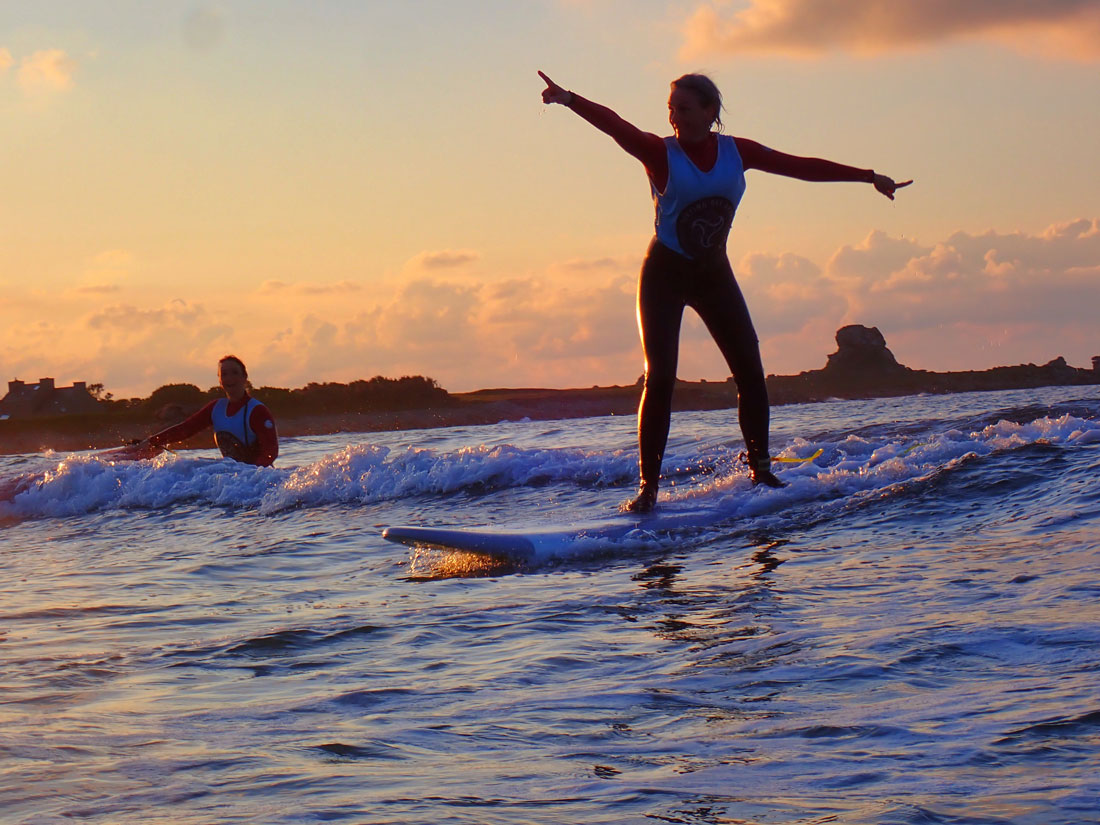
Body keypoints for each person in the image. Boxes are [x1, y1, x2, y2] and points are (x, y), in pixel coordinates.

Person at [539, 70, 910, 513]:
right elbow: (616, 125)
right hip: (664, 274)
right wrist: (569, 99)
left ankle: (761, 469)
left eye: (685, 108)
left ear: (710, 111)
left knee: (751, 373)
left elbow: (799, 167)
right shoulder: (660, 153)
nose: (675, 117)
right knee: (659, 379)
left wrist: (868, 176)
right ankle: (648, 490)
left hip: (714, 274)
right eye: (671, 109)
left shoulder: (737, 152)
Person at [140, 355, 279, 466]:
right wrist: (151, 442)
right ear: (219, 380)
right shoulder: (216, 408)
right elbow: (186, 429)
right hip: (235, 479)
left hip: (258, 480)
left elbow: (270, 452)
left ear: (244, 377)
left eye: (235, 373)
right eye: (224, 374)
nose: (229, 378)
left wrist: (252, 474)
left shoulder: (257, 410)